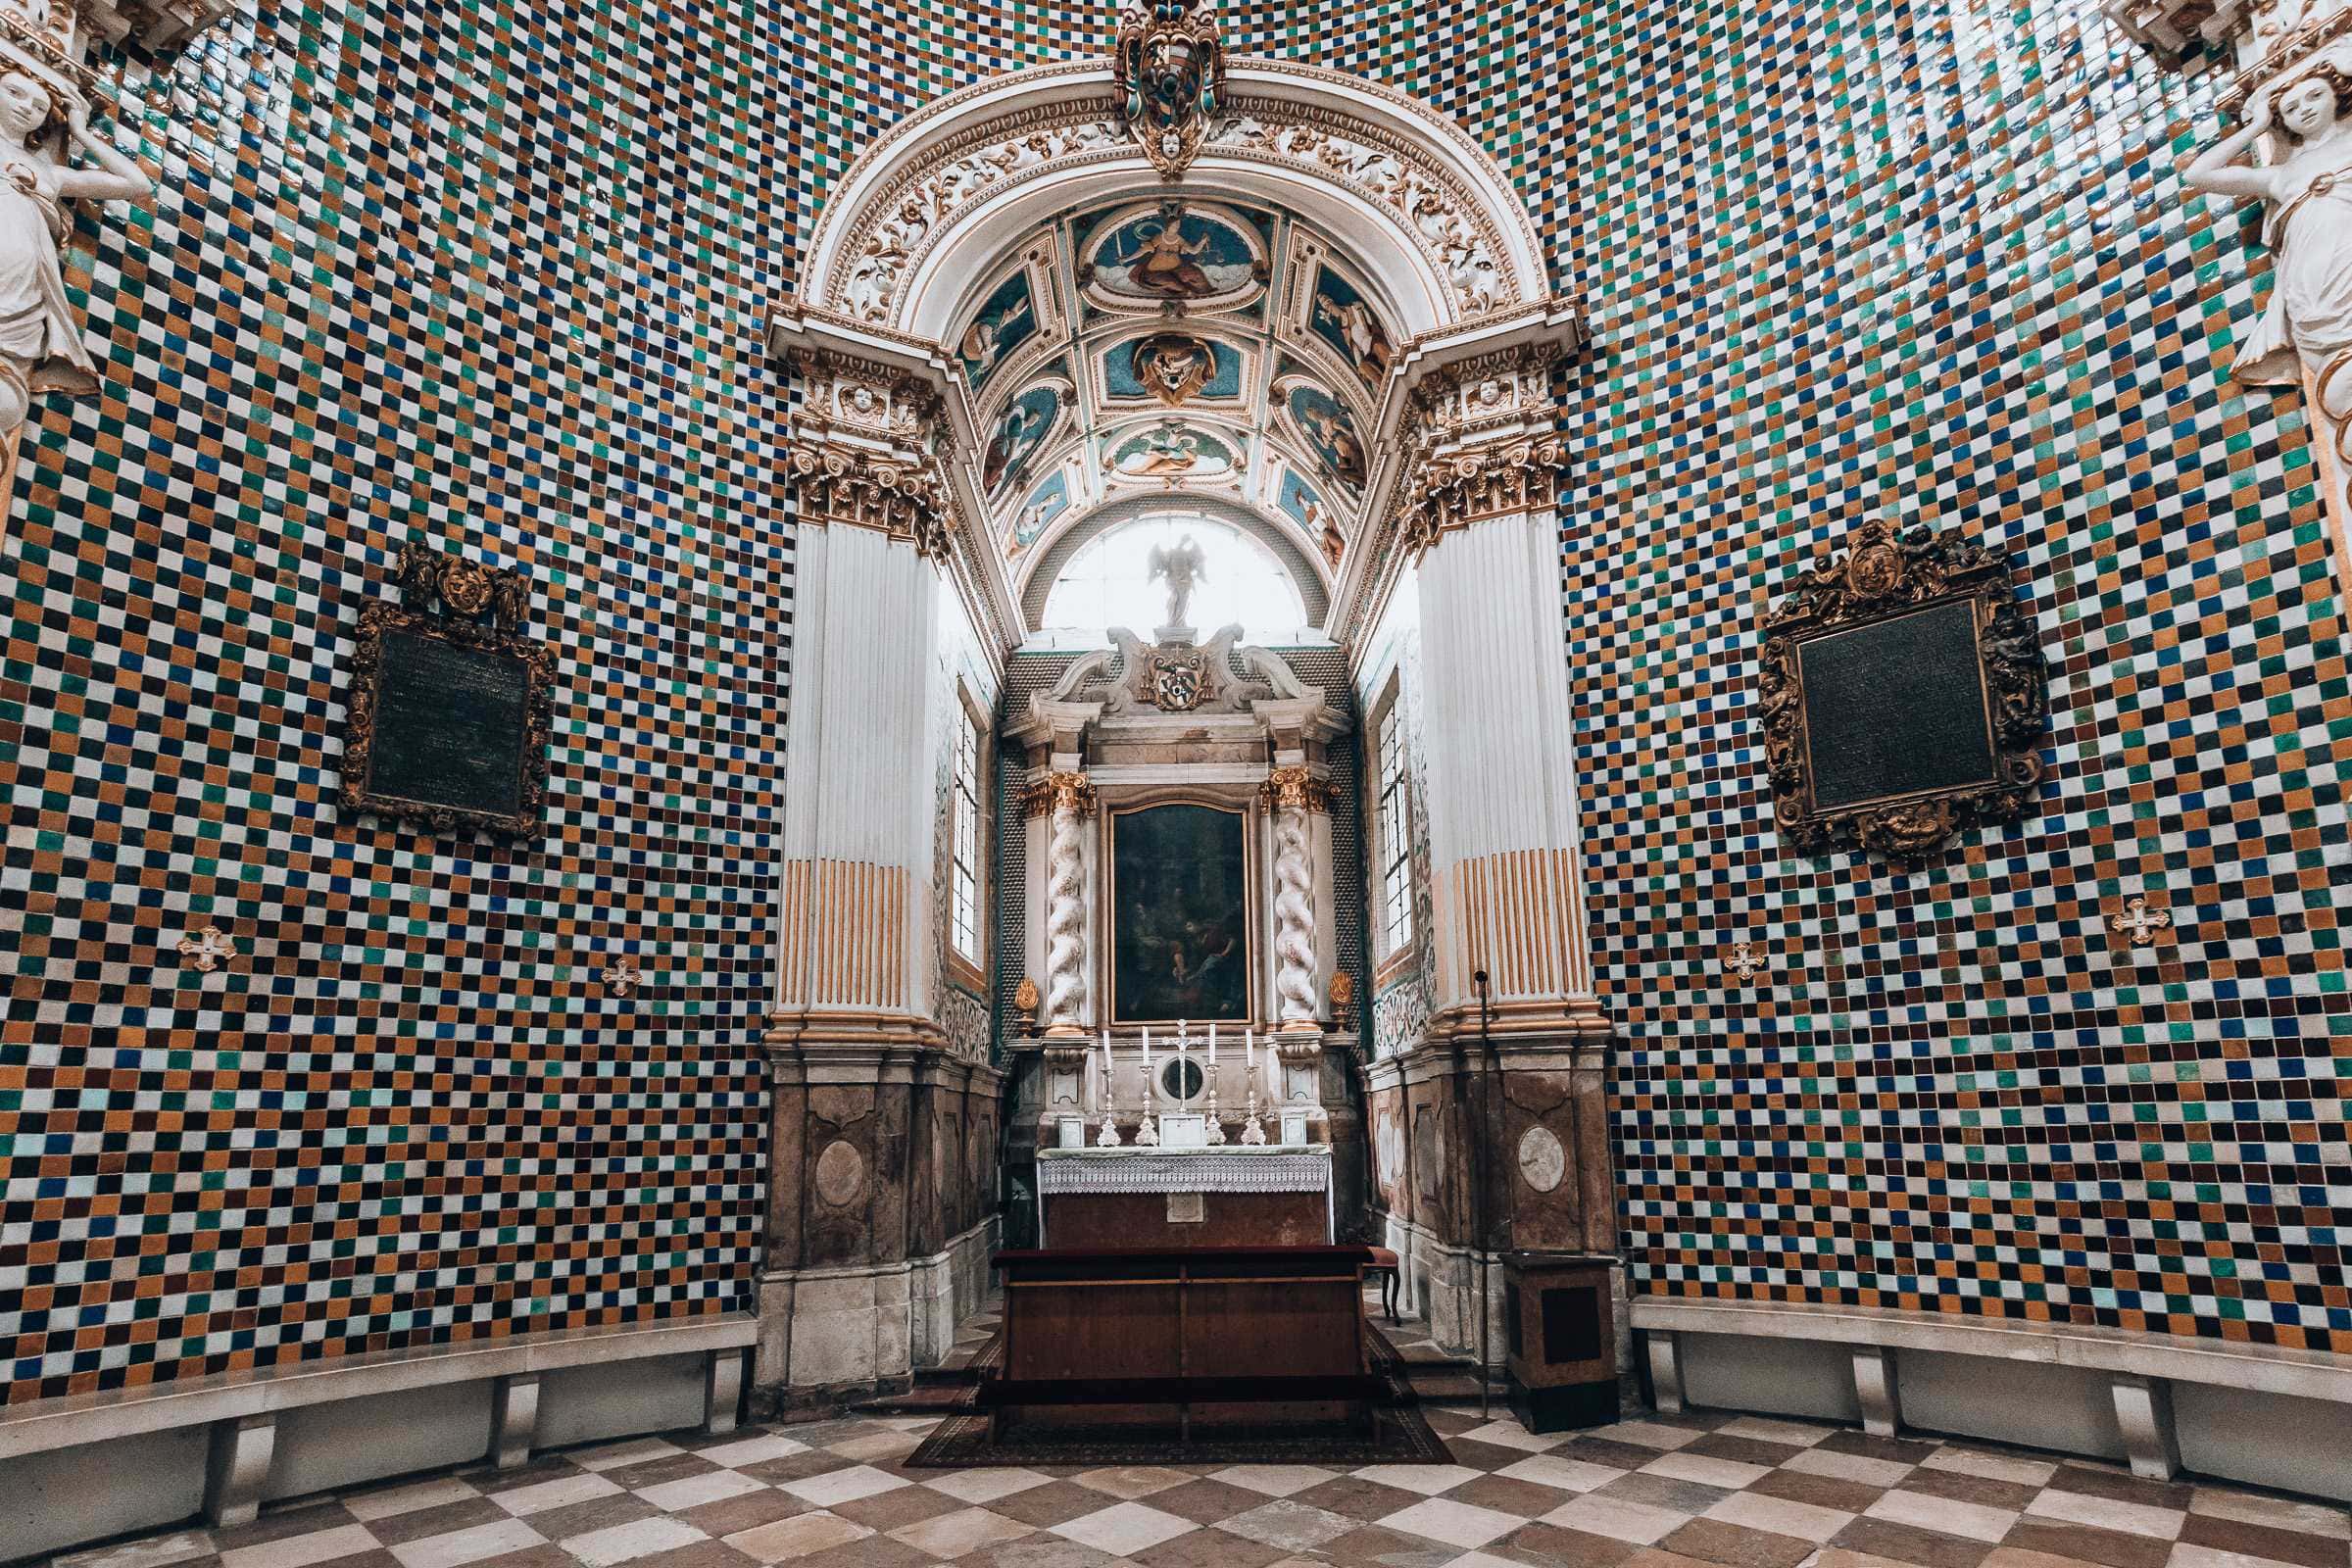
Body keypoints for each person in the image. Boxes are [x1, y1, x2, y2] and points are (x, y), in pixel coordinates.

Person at [2181, 58, 2352, 390]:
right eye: (2290, 107)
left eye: (2315, 95)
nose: (2304, 109)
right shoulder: (2282, 174)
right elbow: (2197, 174)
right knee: (2337, 382)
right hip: (2311, 286)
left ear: (2337, 93)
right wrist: (2257, 124)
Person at [0, 73, 151, 428]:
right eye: (14, 93)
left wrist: (81, 132)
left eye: (39, 106)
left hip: (24, 286)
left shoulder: (47, 172)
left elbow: (137, 184)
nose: (27, 108)